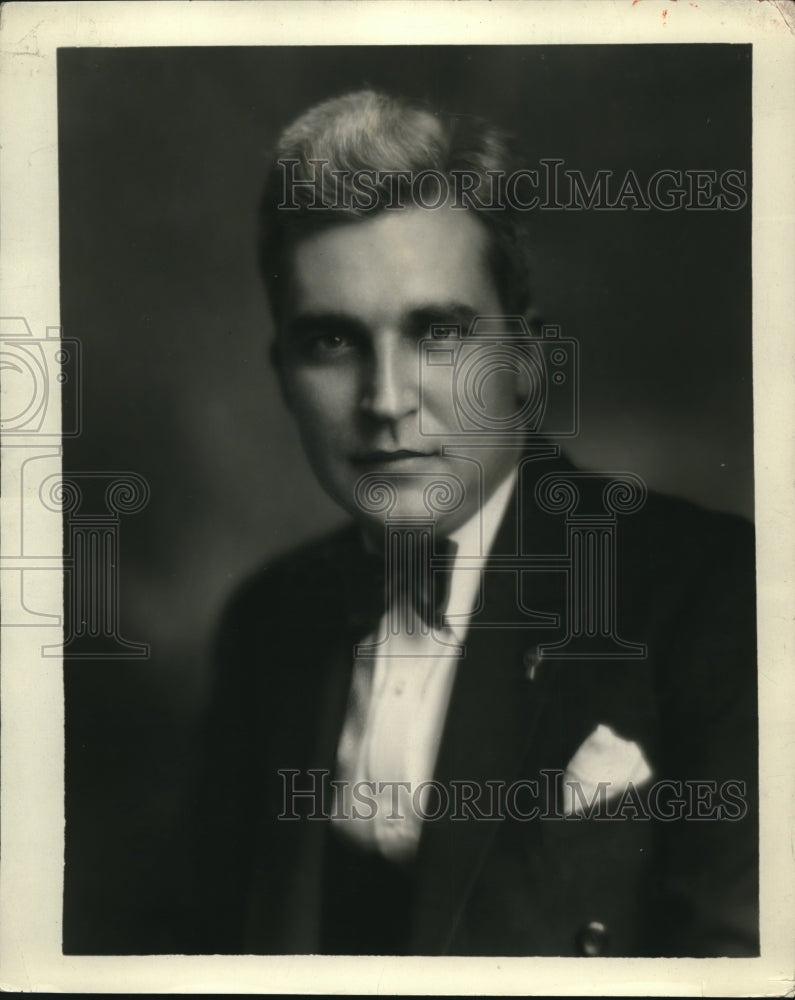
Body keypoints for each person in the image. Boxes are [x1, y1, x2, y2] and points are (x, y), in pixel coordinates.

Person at [178, 90, 758, 957]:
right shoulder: (267, 621)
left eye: (437, 333)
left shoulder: (712, 593)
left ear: (523, 360)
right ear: (281, 373)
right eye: (331, 342)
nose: (384, 401)